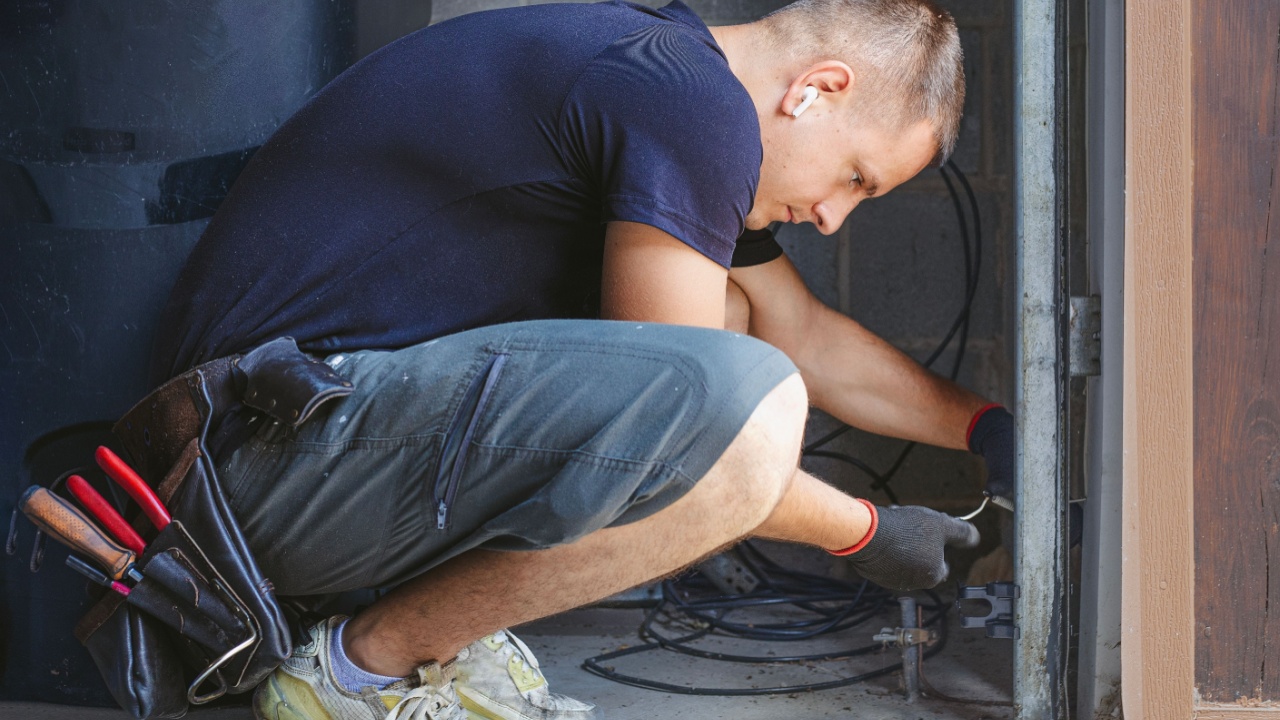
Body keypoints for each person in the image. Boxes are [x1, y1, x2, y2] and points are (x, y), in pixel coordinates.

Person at [148, 0, 1015, 717]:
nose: (834, 216)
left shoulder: (668, 86)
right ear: (817, 91)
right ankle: (354, 674)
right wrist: (864, 532)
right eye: (856, 178)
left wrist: (989, 428)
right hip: (245, 478)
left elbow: (810, 334)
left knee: (738, 318)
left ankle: (410, 637)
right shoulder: (689, 105)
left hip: (303, 453)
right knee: (742, 402)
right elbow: (701, 428)